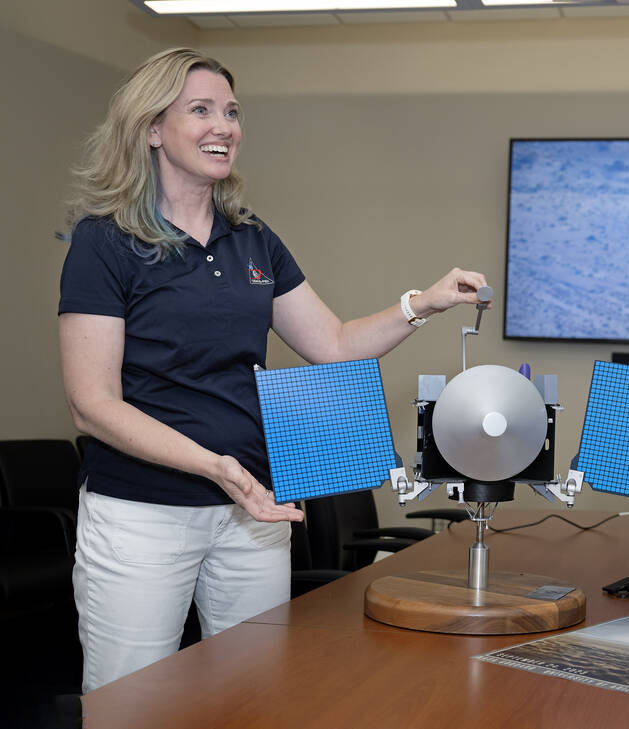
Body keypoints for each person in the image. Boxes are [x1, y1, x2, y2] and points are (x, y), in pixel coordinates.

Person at [58, 47, 490, 693]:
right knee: (132, 699)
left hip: (252, 513)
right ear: (151, 128)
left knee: (253, 692)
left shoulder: (252, 237)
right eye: (199, 110)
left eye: (231, 111)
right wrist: (215, 466)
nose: (223, 125)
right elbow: (92, 403)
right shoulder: (106, 240)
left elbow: (335, 343)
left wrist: (420, 303)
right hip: (143, 514)